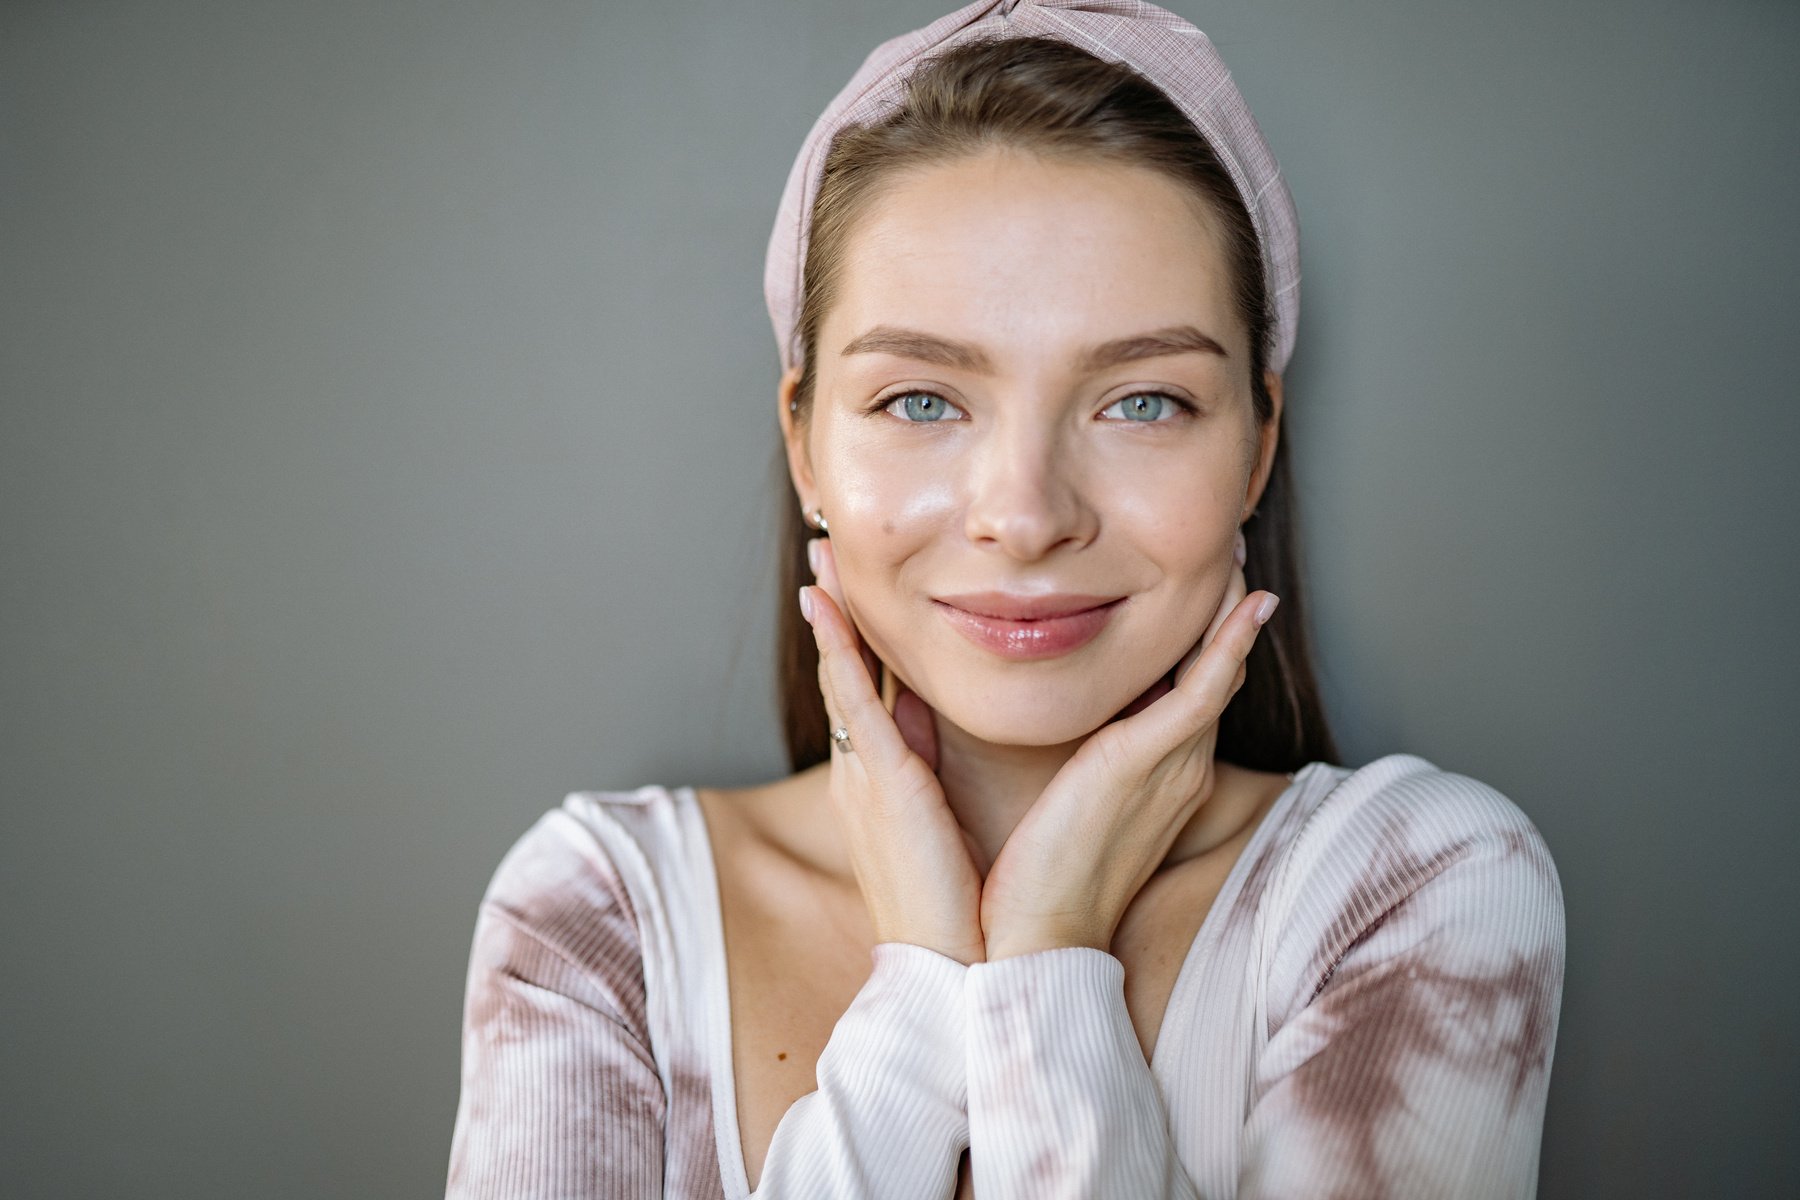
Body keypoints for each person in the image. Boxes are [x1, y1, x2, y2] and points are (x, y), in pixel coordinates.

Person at [444, 2, 1566, 1196]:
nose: (1026, 516)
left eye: (1143, 401)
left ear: (1255, 449)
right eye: (921, 400)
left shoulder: (1415, 889)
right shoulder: (599, 917)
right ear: (808, 448)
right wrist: (925, 985)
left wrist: (1045, 960)